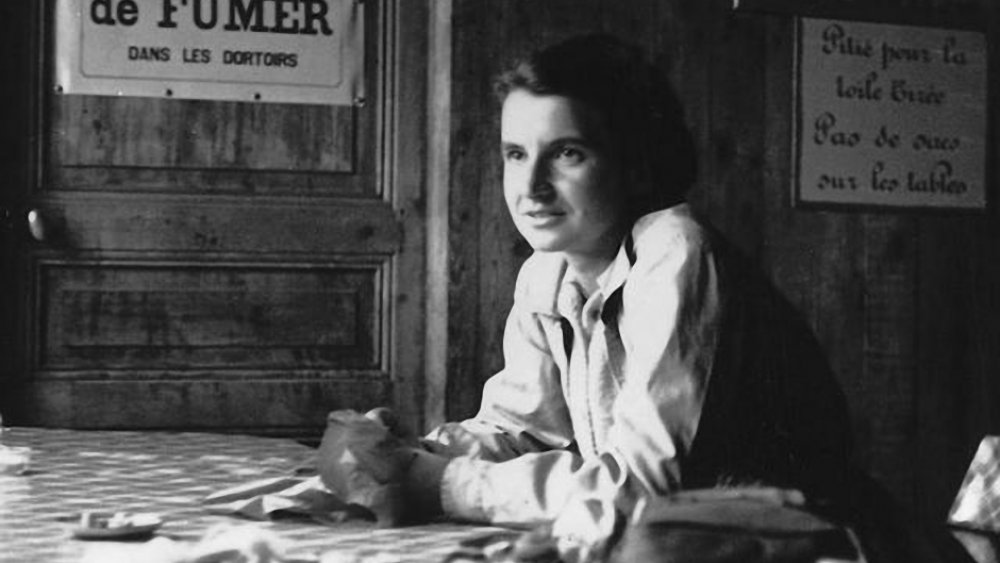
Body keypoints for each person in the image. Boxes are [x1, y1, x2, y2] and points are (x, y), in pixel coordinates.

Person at [318, 32, 854, 533]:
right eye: (516, 155)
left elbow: (642, 490)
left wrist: (441, 483)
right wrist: (409, 453)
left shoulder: (678, 253)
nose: (531, 187)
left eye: (567, 154)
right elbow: (522, 431)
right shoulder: (548, 272)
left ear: (636, 165)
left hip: (786, 546)